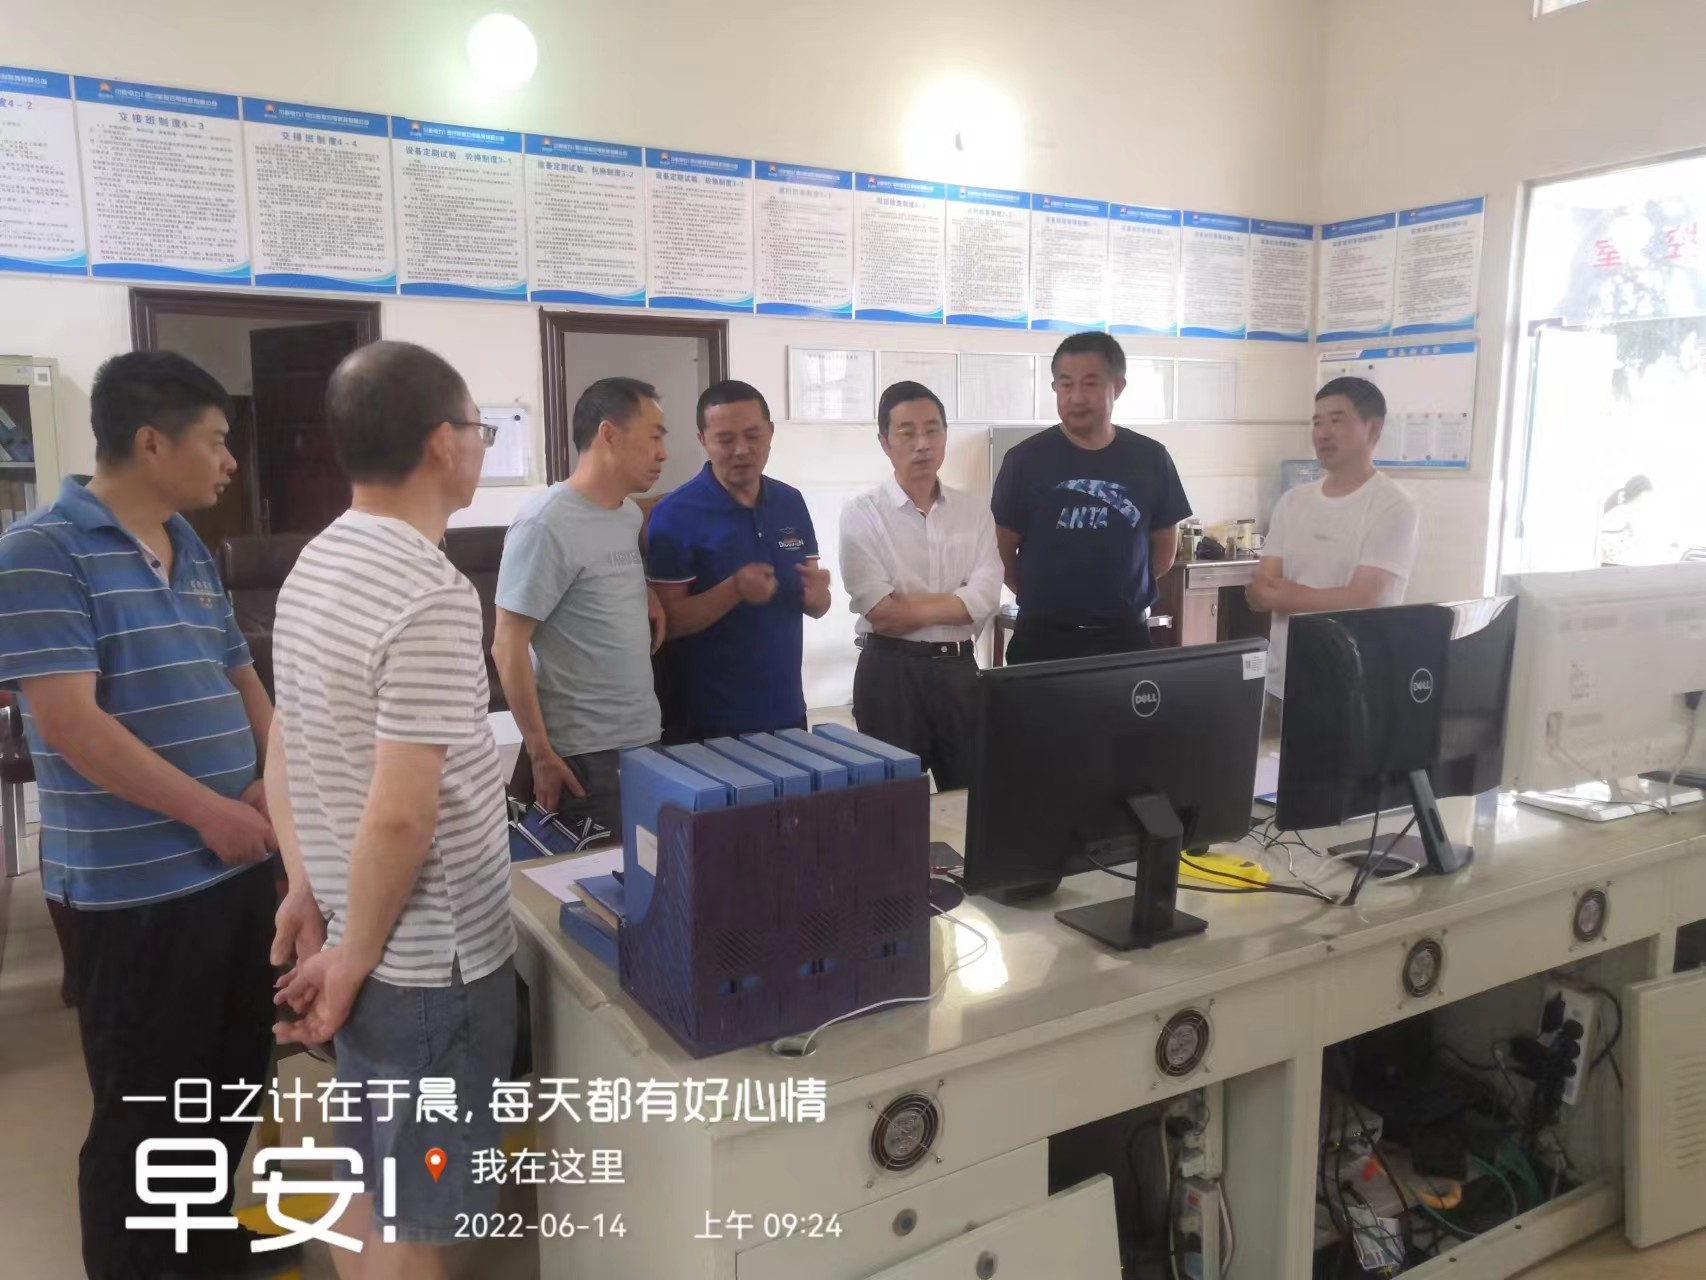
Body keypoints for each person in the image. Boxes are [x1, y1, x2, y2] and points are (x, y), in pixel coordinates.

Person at [0, 350, 291, 1279]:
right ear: (152, 441)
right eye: (216, 440)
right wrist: (210, 813)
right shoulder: (40, 552)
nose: (230, 461)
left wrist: (273, 776)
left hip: (236, 865)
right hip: (135, 891)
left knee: (231, 1077)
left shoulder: (187, 542)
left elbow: (240, 673)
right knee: (146, 1108)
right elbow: (71, 725)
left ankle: (200, 1242)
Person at [268, 340, 516, 1277]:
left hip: (357, 935)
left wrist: (307, 886)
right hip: (425, 964)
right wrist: (354, 956)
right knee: (419, 1223)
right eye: (480, 429)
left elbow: (286, 743)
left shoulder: (315, 562)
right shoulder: (429, 592)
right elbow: (402, 815)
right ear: (443, 443)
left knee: (369, 1181)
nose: (481, 446)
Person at [493, 377, 669, 839]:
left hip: (643, 737)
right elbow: (507, 646)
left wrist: (644, 590)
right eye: (654, 436)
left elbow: (594, 575)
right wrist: (540, 753)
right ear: (609, 434)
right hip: (584, 755)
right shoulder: (545, 522)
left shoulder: (625, 513)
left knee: (650, 869)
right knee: (595, 879)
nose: (663, 453)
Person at [839, 380, 1002, 790]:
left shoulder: (974, 511)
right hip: (890, 676)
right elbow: (882, 614)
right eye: (907, 433)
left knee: (970, 801)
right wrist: (958, 601)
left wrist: (910, 605)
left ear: (945, 436)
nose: (923, 444)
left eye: (932, 430)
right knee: (893, 806)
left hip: (960, 674)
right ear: (885, 442)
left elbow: (986, 596)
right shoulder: (862, 514)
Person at [647, 381, 832, 740]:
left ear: (770, 433)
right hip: (706, 723)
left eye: (752, 435)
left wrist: (819, 596)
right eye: (725, 439)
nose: (742, 450)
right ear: (703, 439)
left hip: (787, 712)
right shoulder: (675, 513)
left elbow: (817, 604)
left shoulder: (790, 501)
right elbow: (665, 625)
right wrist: (734, 590)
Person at [992, 332, 1192, 663]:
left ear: (1118, 387)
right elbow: (1001, 553)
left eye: (1090, 384)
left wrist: (1119, 597)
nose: (1076, 397)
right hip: (1042, 641)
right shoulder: (1024, 461)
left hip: (1125, 638)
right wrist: (1044, 602)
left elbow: (1165, 550)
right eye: (1065, 385)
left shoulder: (1150, 458)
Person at [1247, 376, 1421, 735]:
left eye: (1337, 420)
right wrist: (1311, 598)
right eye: (1317, 422)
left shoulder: (1393, 505)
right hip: (1282, 686)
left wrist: (1287, 596)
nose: (1322, 433)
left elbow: (1367, 600)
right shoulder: (1293, 502)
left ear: (1373, 428)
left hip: (1353, 688)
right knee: (1270, 772)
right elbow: (1260, 591)